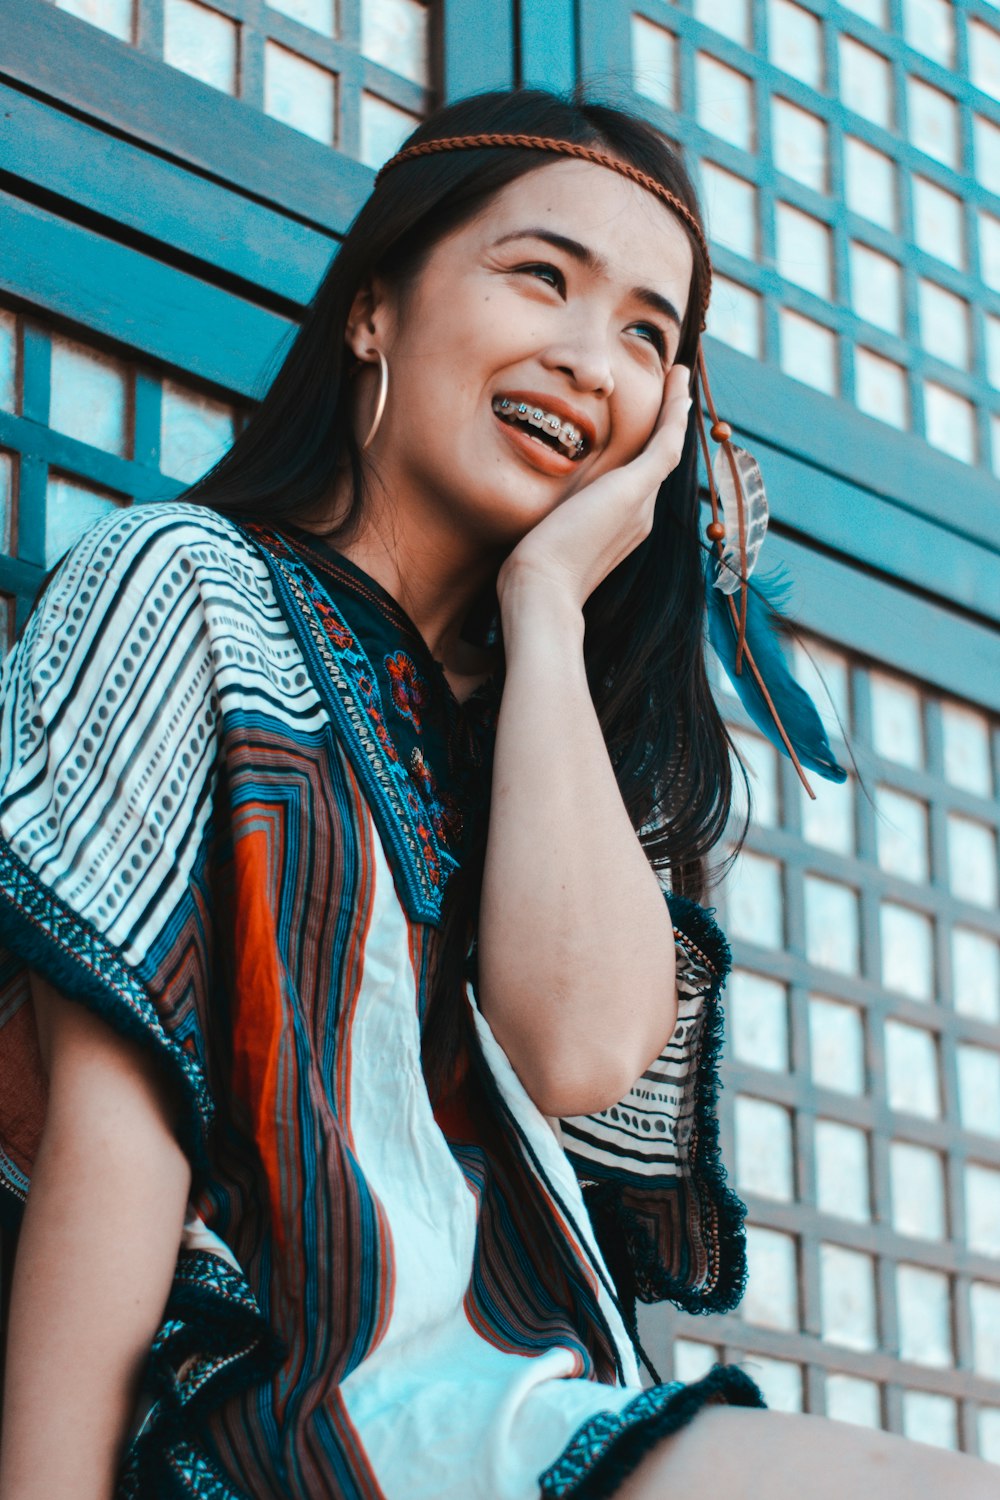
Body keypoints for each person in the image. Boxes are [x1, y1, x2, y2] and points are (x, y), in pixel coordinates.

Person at [0, 87, 995, 1500]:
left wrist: (542, 604)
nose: (593, 359)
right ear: (373, 310)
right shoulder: (187, 590)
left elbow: (576, 1051)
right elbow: (113, 1128)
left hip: (520, 1421)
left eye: (651, 335)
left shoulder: (552, 749)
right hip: (270, 1431)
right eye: (542, 275)